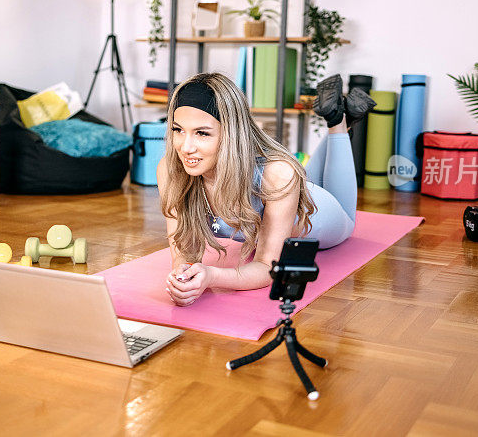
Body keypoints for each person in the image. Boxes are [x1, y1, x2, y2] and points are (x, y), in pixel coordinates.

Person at [156, 72, 375, 306]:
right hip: (286, 193)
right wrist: (183, 275)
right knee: (300, 177)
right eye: (178, 130)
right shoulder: (171, 171)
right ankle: (339, 117)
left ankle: (338, 124)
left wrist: (211, 276)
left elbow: (266, 267)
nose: (185, 147)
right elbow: (183, 250)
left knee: (348, 221)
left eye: (202, 133)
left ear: (231, 133)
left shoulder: (277, 175)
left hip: (319, 213)